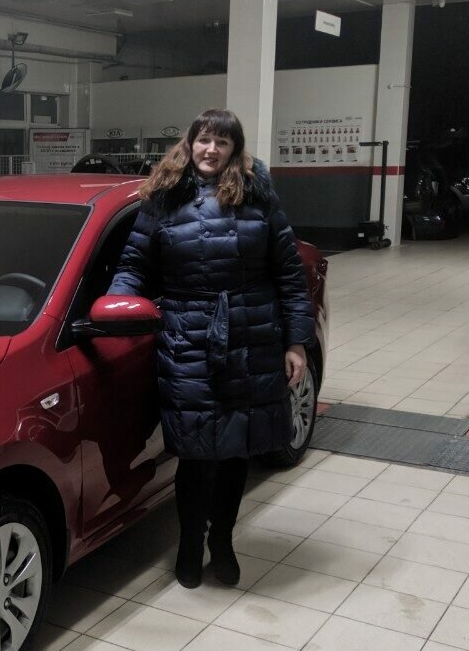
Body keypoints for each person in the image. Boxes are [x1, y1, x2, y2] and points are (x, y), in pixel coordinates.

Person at [108, 109, 315, 589]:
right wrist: (116, 308)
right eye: (204, 140)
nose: (211, 150)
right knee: (196, 451)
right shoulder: (163, 196)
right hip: (187, 336)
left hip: (252, 334)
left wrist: (296, 341)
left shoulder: (258, 194)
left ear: (234, 150)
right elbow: (134, 265)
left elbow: (288, 273)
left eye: (222, 142)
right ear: (190, 143)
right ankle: (188, 544)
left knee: (237, 450)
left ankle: (222, 541)